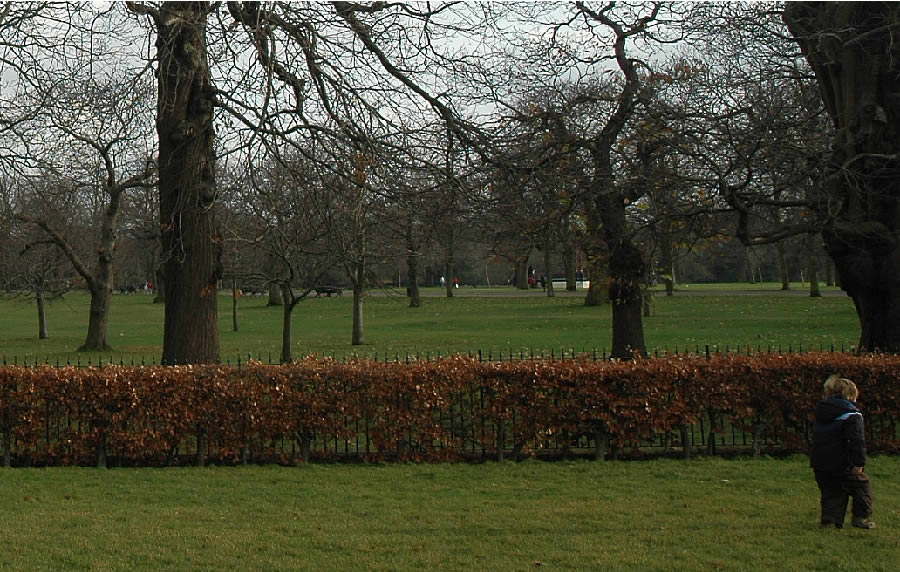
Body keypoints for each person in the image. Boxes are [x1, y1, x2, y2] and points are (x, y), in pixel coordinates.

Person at [810, 375, 875, 529]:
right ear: (852, 395)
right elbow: (856, 441)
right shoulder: (852, 415)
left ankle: (830, 520)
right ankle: (860, 518)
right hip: (843, 462)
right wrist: (858, 463)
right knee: (861, 487)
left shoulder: (821, 413)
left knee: (832, 491)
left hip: (821, 463)